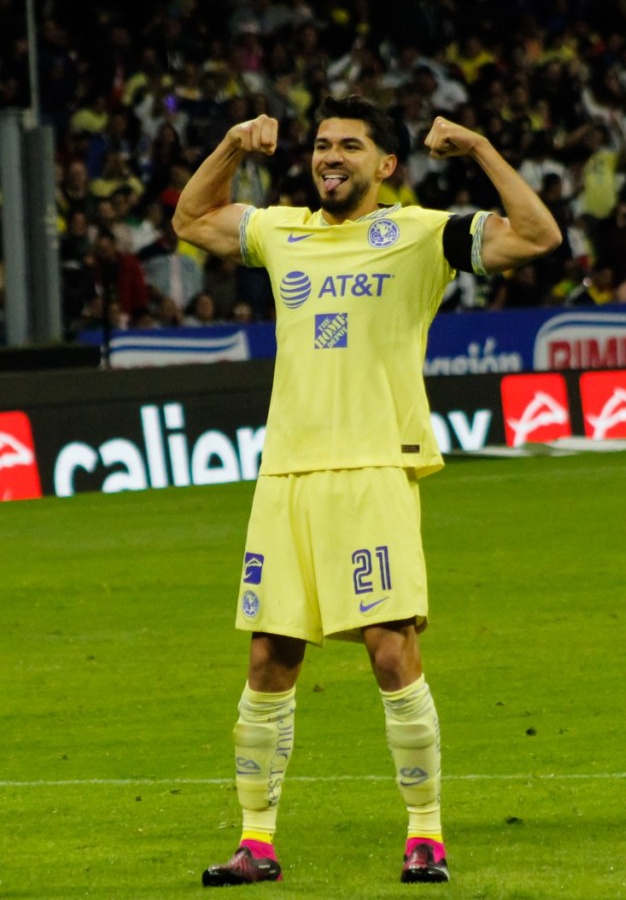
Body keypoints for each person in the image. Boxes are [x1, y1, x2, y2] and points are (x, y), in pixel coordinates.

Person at [171, 95, 561, 888]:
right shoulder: (281, 230)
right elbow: (191, 219)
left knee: (390, 650)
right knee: (268, 657)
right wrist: (233, 145)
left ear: (386, 164)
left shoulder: (421, 233)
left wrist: (479, 148)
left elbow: (536, 235)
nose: (329, 157)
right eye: (321, 144)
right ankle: (255, 842)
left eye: (349, 145)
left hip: (374, 467)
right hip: (286, 472)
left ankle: (425, 834)